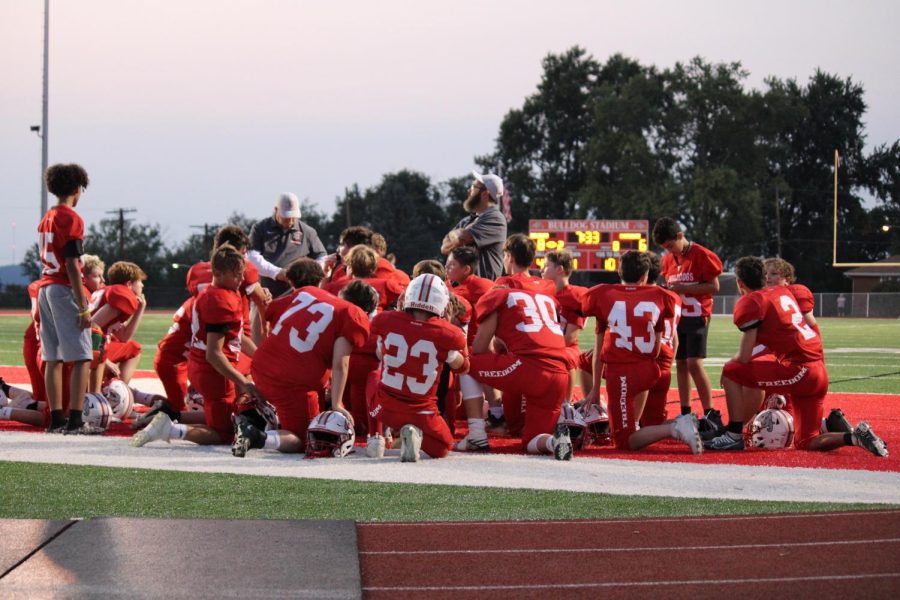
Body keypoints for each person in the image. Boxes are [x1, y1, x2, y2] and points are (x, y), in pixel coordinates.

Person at [704, 256, 888, 457]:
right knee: (806, 441)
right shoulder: (787, 292)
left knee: (732, 370)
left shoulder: (754, 301)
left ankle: (733, 435)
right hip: (817, 370)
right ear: (764, 278)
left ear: (740, 284)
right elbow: (809, 328)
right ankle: (854, 436)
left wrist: (732, 370)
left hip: (799, 369)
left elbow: (745, 357)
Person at [234, 259, 372, 457]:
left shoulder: (307, 293)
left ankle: (256, 415)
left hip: (262, 366)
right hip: (293, 381)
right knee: (305, 439)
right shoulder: (352, 315)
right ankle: (257, 436)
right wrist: (337, 403)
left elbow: (267, 311)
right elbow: (341, 362)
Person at [132, 244, 262, 448]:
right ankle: (170, 429)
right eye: (235, 274)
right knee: (224, 434)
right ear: (218, 273)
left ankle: (170, 417)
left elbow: (235, 336)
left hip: (201, 364)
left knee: (225, 415)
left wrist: (261, 356)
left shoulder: (221, 292)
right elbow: (214, 353)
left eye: (241, 274)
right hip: (213, 370)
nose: (240, 279)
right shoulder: (220, 299)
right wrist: (243, 382)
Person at [454, 235, 571, 458]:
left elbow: (479, 348)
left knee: (466, 363)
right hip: (560, 372)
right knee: (530, 442)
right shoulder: (546, 290)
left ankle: (478, 433)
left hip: (528, 367)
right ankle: (554, 441)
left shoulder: (500, 289)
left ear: (508, 257)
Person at [581, 251, 702, 454]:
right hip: (651, 368)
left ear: (619, 271)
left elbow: (600, 348)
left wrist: (594, 390)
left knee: (625, 441)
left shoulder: (601, 294)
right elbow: (662, 342)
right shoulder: (664, 297)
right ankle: (668, 423)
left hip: (621, 373)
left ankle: (675, 428)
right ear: (645, 275)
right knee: (644, 424)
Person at [367, 274, 469, 462]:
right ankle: (414, 433)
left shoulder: (386, 320)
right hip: (422, 412)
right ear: (443, 303)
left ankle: (376, 436)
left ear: (407, 296)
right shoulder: (448, 333)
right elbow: (463, 367)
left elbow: (381, 355)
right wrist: (447, 334)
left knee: (374, 375)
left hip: (384, 409)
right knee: (443, 447)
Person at [36, 163, 97, 433]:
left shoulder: (46, 217)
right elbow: (72, 263)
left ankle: (56, 419)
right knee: (83, 356)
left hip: (45, 287)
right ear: (76, 189)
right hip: (63, 288)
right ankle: (75, 420)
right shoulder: (71, 218)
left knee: (53, 358)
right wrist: (83, 306)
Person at [652, 217, 723, 427]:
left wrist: (684, 288)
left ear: (680, 236)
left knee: (694, 363)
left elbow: (714, 287)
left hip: (698, 315)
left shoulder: (702, 255)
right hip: (678, 318)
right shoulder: (667, 260)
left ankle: (710, 412)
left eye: (671, 245)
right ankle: (686, 412)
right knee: (681, 364)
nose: (670, 251)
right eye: (666, 248)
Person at [247, 193, 327, 299]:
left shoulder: (308, 232)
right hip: (267, 295)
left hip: (299, 297)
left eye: (293, 217)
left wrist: (311, 274)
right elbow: (251, 256)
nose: (290, 220)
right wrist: (277, 273)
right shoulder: (260, 229)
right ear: (276, 210)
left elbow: (321, 255)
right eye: (286, 216)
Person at [441, 172, 508, 280]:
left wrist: (456, 237)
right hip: (462, 289)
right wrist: (458, 236)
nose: (469, 191)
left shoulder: (495, 218)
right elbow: (444, 248)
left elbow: (460, 239)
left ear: (485, 194)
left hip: (482, 291)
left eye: (473, 187)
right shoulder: (467, 220)